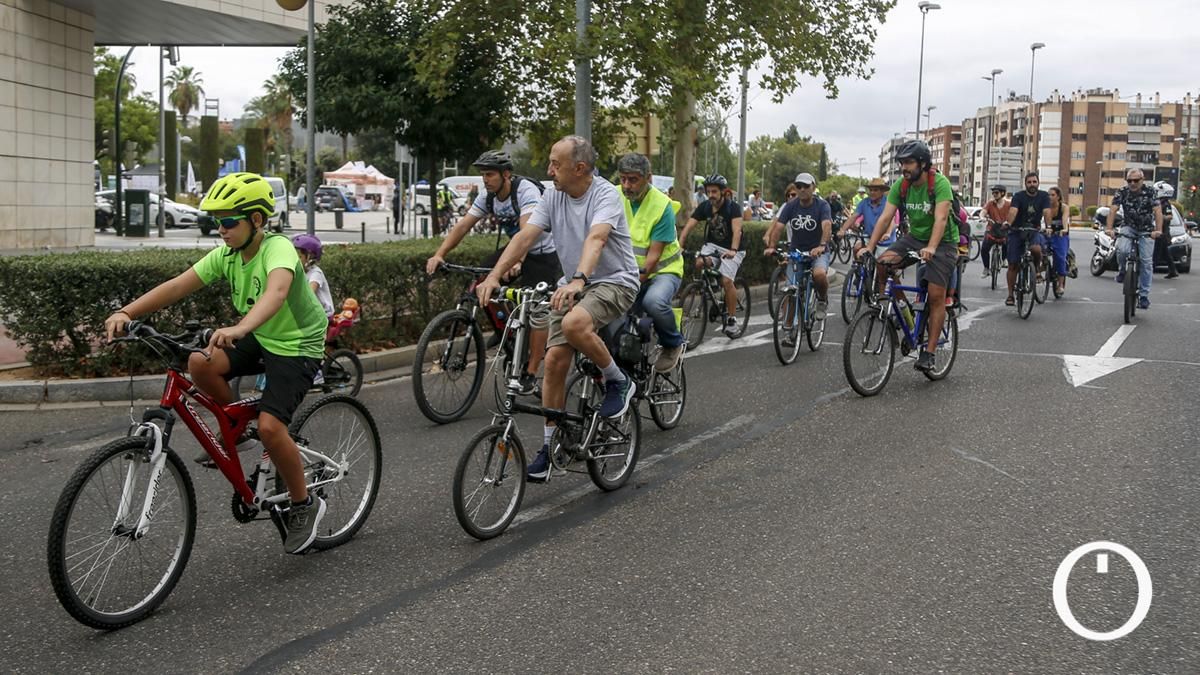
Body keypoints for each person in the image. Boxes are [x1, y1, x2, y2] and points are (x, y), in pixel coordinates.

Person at [103, 172, 329, 554]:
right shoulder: (226, 255)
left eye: (227, 222)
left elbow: (275, 295)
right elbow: (178, 284)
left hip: (297, 344)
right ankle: (235, 430)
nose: (220, 230)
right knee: (200, 362)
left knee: (273, 430)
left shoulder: (278, 249)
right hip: (260, 335)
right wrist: (126, 311)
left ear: (256, 220)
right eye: (215, 222)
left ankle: (304, 503)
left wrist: (239, 327)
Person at [475, 136, 640, 482]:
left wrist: (579, 279)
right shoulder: (552, 195)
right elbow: (524, 238)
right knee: (553, 362)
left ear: (579, 168)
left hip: (614, 282)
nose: (549, 171)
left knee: (575, 324)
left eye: (555, 164)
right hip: (571, 284)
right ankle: (550, 448)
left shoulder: (605, 195)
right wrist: (494, 275)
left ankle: (618, 381)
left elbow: (596, 239)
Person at [426, 150, 560, 395]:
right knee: (480, 283)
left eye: (490, 174)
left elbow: (527, 230)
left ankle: (530, 372)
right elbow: (464, 225)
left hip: (543, 253)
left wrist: (518, 261)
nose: (485, 179)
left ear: (506, 174)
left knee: (537, 311)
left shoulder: (525, 191)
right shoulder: (488, 196)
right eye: (483, 175)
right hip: (515, 249)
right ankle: (507, 330)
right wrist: (439, 254)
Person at [856, 140, 958, 372]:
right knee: (883, 263)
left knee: (934, 295)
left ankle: (929, 353)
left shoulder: (939, 183)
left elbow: (941, 219)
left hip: (943, 242)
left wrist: (931, 248)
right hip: (915, 237)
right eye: (902, 163)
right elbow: (885, 218)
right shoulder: (901, 185)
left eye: (909, 162)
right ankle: (901, 309)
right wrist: (871, 247)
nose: (904, 167)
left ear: (923, 163)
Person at [616, 153, 686, 372]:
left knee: (653, 302)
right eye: (623, 179)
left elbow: (653, 258)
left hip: (663, 272)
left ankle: (672, 344)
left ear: (648, 178)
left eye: (633, 180)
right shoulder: (613, 196)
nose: (627, 185)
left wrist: (629, 286)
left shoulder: (662, 206)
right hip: (628, 272)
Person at [680, 174, 746, 336]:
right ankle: (713, 289)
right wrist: (680, 244)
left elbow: (737, 230)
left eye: (714, 191)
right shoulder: (705, 207)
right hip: (713, 246)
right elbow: (689, 225)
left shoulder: (733, 208)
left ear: (723, 192)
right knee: (699, 263)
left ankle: (731, 320)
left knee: (727, 281)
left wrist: (733, 250)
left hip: (733, 249)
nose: (711, 195)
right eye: (708, 191)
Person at [765, 172, 833, 322]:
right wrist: (772, 246)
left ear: (813, 187)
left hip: (818, 252)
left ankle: (822, 300)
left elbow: (827, 225)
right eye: (799, 186)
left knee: (819, 274)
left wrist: (822, 246)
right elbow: (778, 227)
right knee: (791, 290)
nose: (802, 189)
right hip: (797, 252)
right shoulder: (791, 206)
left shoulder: (822, 205)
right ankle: (789, 331)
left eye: (806, 186)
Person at [1106, 168, 1164, 309]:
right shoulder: (1122, 192)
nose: (1132, 183)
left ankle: (1144, 296)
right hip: (1129, 226)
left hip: (1146, 229)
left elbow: (1157, 211)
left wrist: (1158, 230)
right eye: (1129, 180)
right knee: (1122, 250)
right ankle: (1122, 270)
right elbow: (1113, 209)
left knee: (1146, 261)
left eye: (1136, 180)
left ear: (1142, 180)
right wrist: (1109, 228)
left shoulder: (1151, 192)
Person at [1004, 171, 1050, 306]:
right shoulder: (1018, 196)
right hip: (1017, 230)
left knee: (1036, 249)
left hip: (1033, 230)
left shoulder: (1044, 196)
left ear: (1038, 183)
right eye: (1029, 182)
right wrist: (1009, 223)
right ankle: (1010, 295)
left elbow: (1047, 212)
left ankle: (1035, 271)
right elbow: (1013, 211)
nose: (1032, 184)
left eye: (1034, 182)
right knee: (1013, 264)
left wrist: (1048, 226)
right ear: (1025, 184)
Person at [839, 177, 897, 256]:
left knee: (880, 262)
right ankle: (858, 266)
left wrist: (888, 233)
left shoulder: (888, 203)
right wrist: (843, 230)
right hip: (868, 236)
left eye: (875, 190)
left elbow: (891, 220)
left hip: (884, 240)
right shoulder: (864, 202)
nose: (872, 192)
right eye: (871, 190)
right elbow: (853, 217)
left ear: (882, 191)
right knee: (856, 248)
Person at [979, 185, 1010, 278]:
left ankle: (1004, 259)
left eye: (996, 192)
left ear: (1002, 193)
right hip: (991, 229)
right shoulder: (990, 203)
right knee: (984, 248)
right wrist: (982, 217)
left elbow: (1014, 214)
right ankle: (986, 268)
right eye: (993, 193)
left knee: (1008, 241)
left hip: (1004, 229)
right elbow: (983, 211)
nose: (994, 194)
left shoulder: (1009, 204)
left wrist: (1009, 222)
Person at [1152, 180, 1180, 279]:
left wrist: (1160, 216)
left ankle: (1149, 271)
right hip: (1160, 230)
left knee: (1156, 253)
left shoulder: (1166, 204)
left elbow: (1170, 216)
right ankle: (1173, 271)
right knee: (1165, 253)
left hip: (1163, 232)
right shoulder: (1158, 202)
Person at [1046, 187, 1071, 296]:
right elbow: (1046, 222)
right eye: (1049, 195)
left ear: (1058, 196)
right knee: (1037, 249)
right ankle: (1038, 271)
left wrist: (1064, 229)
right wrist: (1046, 228)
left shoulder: (1064, 207)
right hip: (1048, 234)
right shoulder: (1046, 208)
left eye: (1052, 195)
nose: (1050, 197)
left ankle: (1060, 285)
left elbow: (1065, 219)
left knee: (1060, 257)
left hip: (1060, 235)